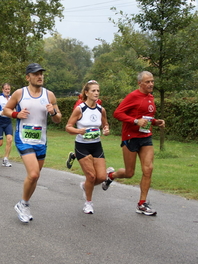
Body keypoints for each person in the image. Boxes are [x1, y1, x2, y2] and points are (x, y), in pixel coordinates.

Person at [3, 63, 62, 223]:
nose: (40, 76)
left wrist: (53, 112)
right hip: (23, 138)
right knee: (34, 173)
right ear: (28, 77)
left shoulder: (49, 95)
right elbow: (5, 110)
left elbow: (58, 119)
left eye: (41, 73)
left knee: (35, 177)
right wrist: (17, 113)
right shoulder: (19, 93)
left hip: (41, 140)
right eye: (36, 74)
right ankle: (24, 203)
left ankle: (23, 204)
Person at [101, 71, 165, 216]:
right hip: (130, 137)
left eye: (152, 81)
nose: (150, 84)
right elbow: (117, 113)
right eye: (147, 82)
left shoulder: (151, 97)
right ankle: (111, 175)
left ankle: (142, 204)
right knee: (129, 173)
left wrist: (155, 122)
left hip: (146, 136)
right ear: (140, 83)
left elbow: (146, 117)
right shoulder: (132, 96)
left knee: (148, 169)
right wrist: (135, 121)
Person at [65, 80, 110, 214]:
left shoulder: (101, 110)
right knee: (91, 176)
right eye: (93, 91)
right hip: (82, 145)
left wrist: (106, 130)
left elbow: (105, 125)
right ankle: (88, 203)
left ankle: (85, 186)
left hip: (96, 145)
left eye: (98, 91)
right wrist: (79, 131)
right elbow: (68, 127)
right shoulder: (80, 109)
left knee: (101, 177)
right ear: (86, 93)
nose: (96, 93)